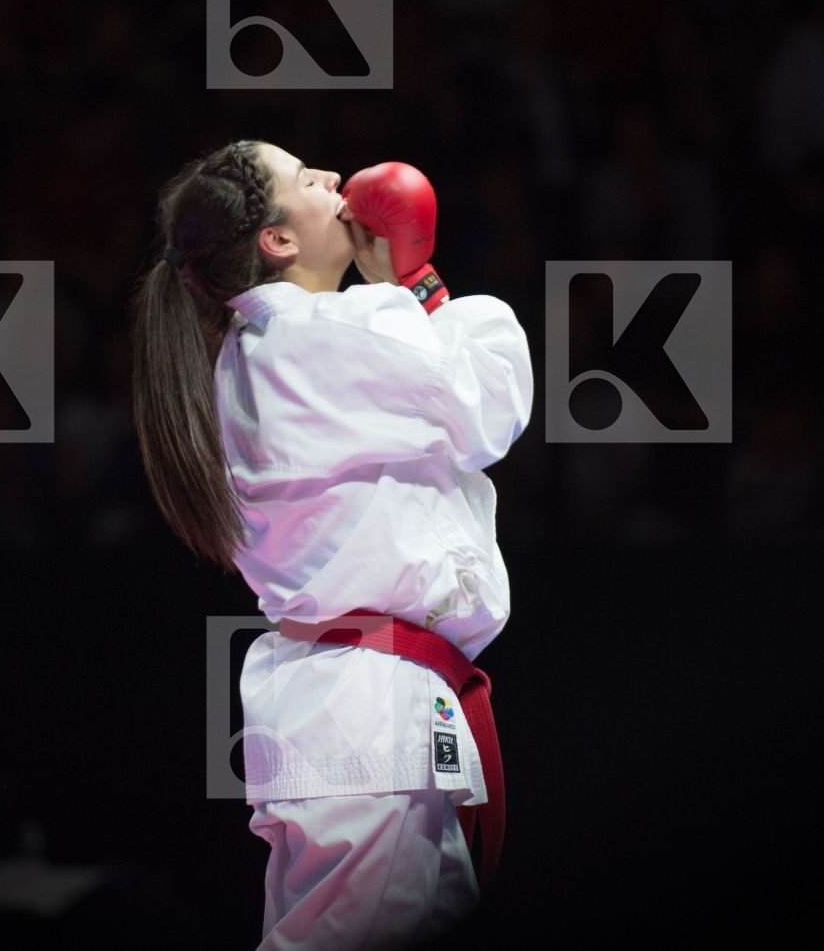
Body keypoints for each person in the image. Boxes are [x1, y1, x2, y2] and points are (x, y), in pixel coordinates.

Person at [128, 140, 531, 949]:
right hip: (366, 707)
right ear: (277, 239)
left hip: (351, 699)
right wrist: (416, 282)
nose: (335, 179)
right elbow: (493, 399)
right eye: (307, 178)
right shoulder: (323, 331)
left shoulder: (254, 352)